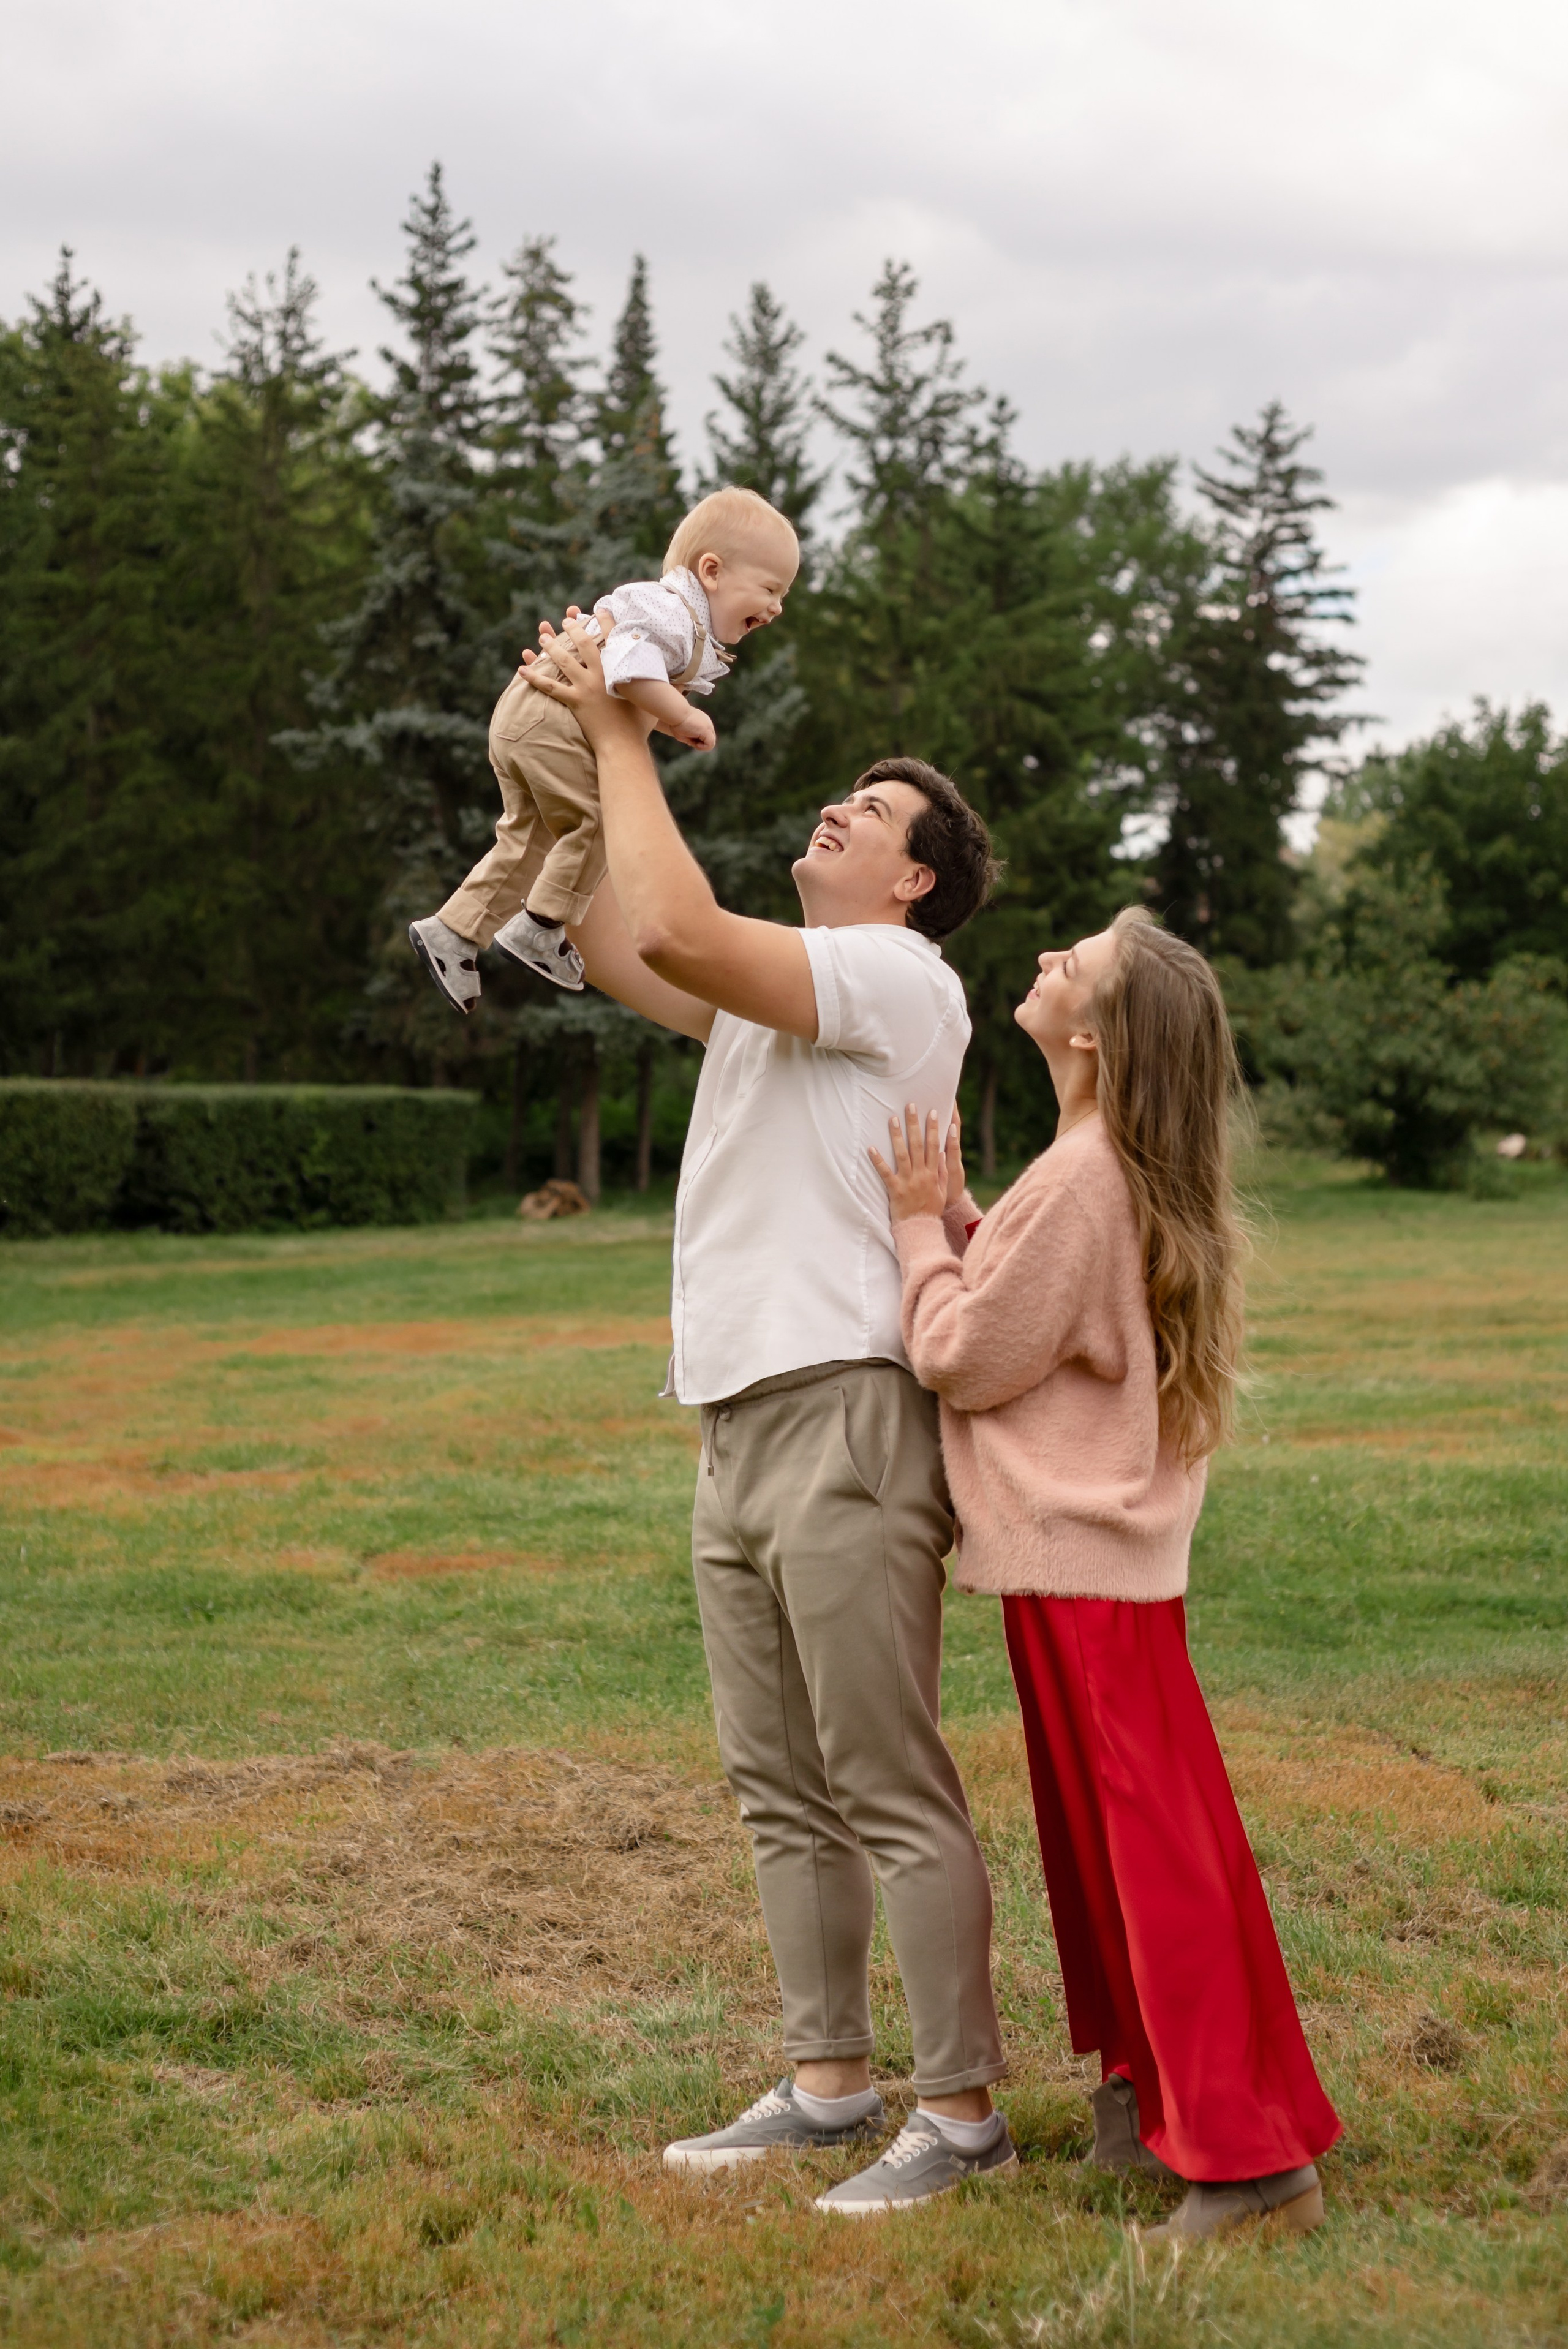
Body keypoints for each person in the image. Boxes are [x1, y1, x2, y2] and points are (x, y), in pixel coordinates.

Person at [522, 616, 1016, 2216]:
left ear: (916, 882)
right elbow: (615, 932)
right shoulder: (776, 997)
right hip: (735, 1426)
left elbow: (675, 912)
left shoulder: (891, 977)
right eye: (841, 801)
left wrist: (623, 721)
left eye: (870, 817)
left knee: (886, 1780)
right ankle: (827, 2085)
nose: (836, 815)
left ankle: (957, 2111)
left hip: (850, 1417)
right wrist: (556, 733)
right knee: (778, 1784)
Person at [870, 907, 1343, 2241]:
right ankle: (1148, 2098)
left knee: (1151, 1858)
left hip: (1085, 1575)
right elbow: (1034, 1297)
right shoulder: (1085, 1166)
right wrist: (965, 1217)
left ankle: (1245, 2161)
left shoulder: (1085, 1176)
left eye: (1068, 963)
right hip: (1083, 1573)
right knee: (1112, 1852)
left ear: (1092, 1033)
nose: (1040, 963)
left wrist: (918, 1233)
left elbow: (966, 1353)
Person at [408, 486, 799, 1007]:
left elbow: (626, 688)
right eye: (771, 589)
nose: (776, 608)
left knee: (529, 841)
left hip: (530, 718)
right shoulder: (674, 614)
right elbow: (628, 670)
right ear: (712, 571)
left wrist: (666, 721)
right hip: (553, 722)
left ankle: (452, 934)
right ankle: (540, 929)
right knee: (597, 821)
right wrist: (682, 712)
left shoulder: (680, 622)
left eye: (783, 597)